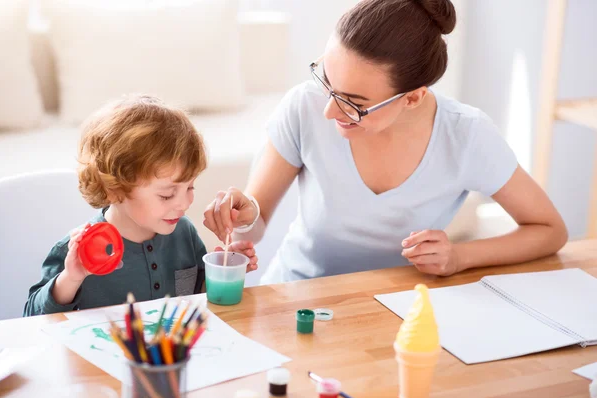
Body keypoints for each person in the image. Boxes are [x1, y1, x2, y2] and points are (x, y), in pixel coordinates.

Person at [203, 0, 568, 284]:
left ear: (412, 97)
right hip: (299, 294)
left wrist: (459, 257)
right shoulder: (304, 106)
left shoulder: (466, 135)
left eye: (354, 103)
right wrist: (246, 213)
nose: (330, 111)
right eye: (327, 81)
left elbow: (550, 230)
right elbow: (257, 221)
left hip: (398, 307)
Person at [24, 95, 258, 316]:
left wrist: (225, 271)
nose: (184, 203)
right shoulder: (80, 250)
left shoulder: (184, 233)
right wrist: (70, 278)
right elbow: (31, 318)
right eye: (167, 195)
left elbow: (196, 296)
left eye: (190, 187)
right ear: (115, 190)